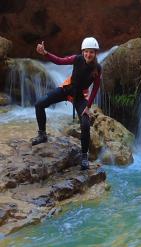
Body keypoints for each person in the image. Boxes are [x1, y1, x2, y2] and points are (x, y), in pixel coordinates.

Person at [32, 37, 102, 170]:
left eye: (91, 52)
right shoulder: (77, 59)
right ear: (83, 52)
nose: (88, 54)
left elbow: (96, 88)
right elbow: (59, 61)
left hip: (80, 97)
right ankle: (42, 134)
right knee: (39, 104)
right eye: (86, 51)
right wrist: (45, 53)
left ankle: (84, 156)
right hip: (67, 89)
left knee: (86, 124)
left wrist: (88, 106)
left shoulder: (97, 68)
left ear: (95, 53)